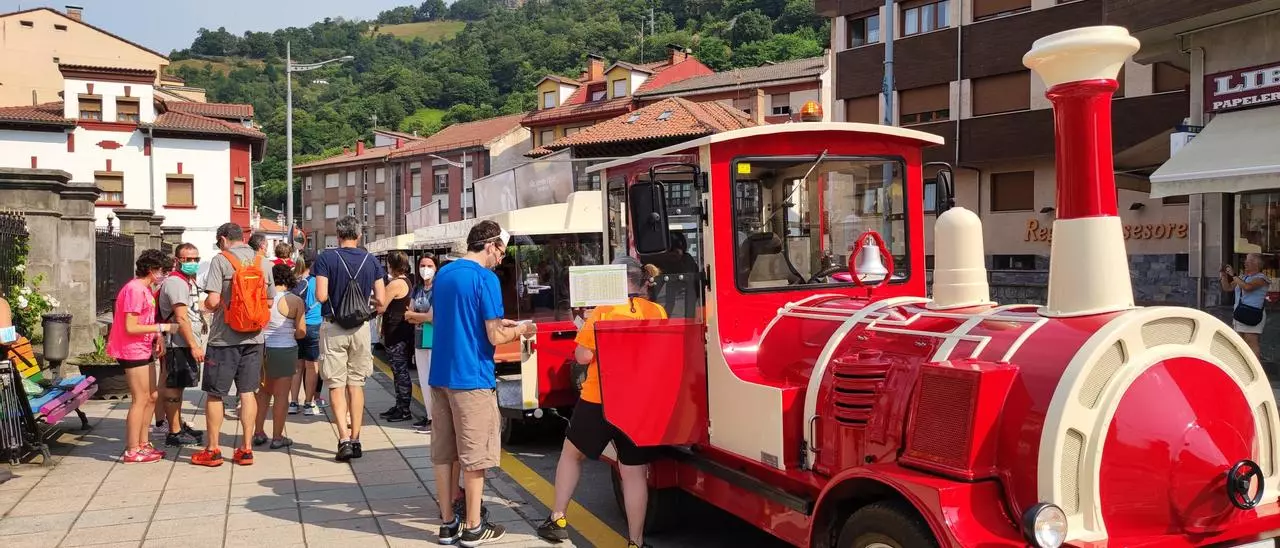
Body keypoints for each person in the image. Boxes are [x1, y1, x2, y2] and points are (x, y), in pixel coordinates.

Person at [536, 257, 666, 548]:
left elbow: (583, 356)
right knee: (633, 472)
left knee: (572, 455)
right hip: (639, 402)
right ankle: (635, 541)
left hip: (600, 399)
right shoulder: (656, 311)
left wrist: (585, 322)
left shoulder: (604, 311)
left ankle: (557, 518)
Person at [430, 220, 534, 546]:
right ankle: (474, 527)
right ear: (490, 245)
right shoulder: (486, 278)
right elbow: (494, 335)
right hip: (472, 378)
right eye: (501, 252)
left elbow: (452, 318)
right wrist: (521, 329)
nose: (501, 259)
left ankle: (447, 523)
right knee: (475, 456)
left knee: (445, 454)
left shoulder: (444, 273)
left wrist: (498, 323)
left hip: (440, 375)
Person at [195, 223, 275, 467]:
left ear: (222, 239)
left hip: (224, 339)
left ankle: (213, 449)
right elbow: (269, 303)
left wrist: (206, 307)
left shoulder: (221, 260)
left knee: (215, 394)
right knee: (248, 392)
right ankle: (246, 449)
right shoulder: (263, 262)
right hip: (255, 338)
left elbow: (213, 300)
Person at [314, 216, 387, 461]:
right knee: (356, 384)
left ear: (338, 235)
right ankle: (356, 439)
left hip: (334, 326)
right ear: (359, 235)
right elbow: (382, 300)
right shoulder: (371, 260)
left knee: (336, 384)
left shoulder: (326, 258)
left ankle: (343, 439)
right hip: (360, 328)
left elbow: (321, 296)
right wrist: (364, 300)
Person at [107, 249, 176, 464]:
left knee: (152, 396)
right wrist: (162, 327)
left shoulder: (145, 289)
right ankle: (132, 448)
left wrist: (157, 336)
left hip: (143, 347)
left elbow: (145, 321)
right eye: (163, 270)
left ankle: (143, 443)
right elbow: (131, 326)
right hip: (131, 349)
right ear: (152, 269)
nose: (164, 275)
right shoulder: (135, 290)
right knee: (140, 399)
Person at [155, 243, 207, 447]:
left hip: (182, 342)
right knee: (174, 388)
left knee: (179, 386)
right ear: (177, 260)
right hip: (178, 343)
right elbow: (181, 317)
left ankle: (177, 425)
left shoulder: (186, 281)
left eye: (196, 259)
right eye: (188, 259)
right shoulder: (176, 283)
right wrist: (193, 345)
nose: (193, 263)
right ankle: (174, 432)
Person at [253, 263, 307, 449]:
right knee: (281, 395)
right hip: (285, 349)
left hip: (261, 348)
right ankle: (277, 437)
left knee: (262, 394)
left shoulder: (262, 298)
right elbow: (301, 332)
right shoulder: (295, 301)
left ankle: (258, 432)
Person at [379, 251, 416, 423]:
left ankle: (404, 409)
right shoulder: (407, 280)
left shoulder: (395, 284)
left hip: (396, 332)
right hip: (401, 331)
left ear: (391, 265)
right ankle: (400, 405)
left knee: (399, 371)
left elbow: (381, 306)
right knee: (399, 371)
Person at [405, 253, 437, 432]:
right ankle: (430, 416)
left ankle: (436, 419)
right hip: (419, 339)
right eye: (423, 265)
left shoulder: (438, 288)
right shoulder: (417, 288)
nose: (426, 269)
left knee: (433, 381)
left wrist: (415, 316)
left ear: (436, 268)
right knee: (423, 380)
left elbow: (431, 317)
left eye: (430, 266)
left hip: (433, 338)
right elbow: (407, 315)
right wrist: (418, 316)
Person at [289, 254, 323, 416]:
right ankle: (309, 403)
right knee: (312, 366)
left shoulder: (296, 281)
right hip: (315, 324)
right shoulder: (318, 281)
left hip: (298, 325)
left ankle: (293, 402)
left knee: (297, 366)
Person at [1223, 253, 1271, 359]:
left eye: (1248, 261)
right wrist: (1223, 275)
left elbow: (1247, 287)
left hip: (1252, 314)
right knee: (1239, 343)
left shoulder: (1261, 278)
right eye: (1245, 261)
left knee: (1251, 342)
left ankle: (1255, 367)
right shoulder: (1242, 277)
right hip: (1240, 313)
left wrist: (1233, 275)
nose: (1245, 263)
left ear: (1257, 264)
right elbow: (1228, 288)